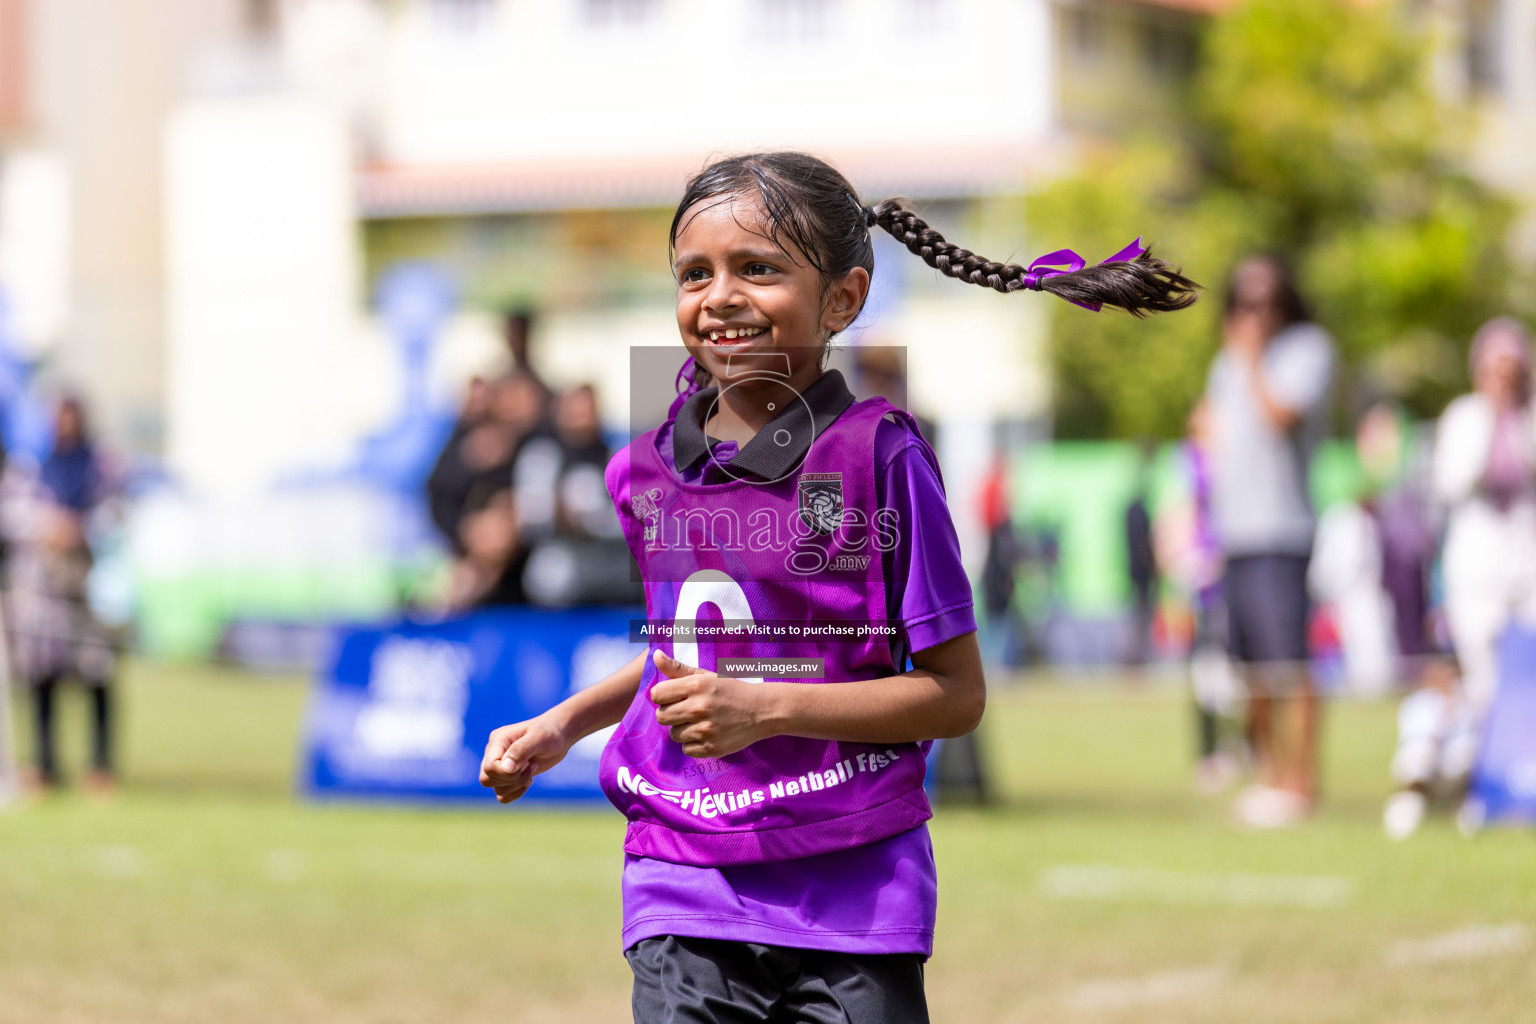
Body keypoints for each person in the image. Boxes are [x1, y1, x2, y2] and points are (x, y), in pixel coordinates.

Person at [479, 151, 1197, 1023]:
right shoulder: (644, 470)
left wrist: (769, 709)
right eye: (694, 273)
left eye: (759, 269)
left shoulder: (881, 458)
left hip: (853, 887)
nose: (720, 296)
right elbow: (696, 653)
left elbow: (953, 693)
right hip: (686, 874)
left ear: (844, 299)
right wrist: (566, 723)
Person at [1202, 254, 1335, 829]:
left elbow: (1280, 415)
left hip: (1283, 531)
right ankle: (1271, 780)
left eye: (1266, 303)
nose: (1253, 314)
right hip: (1235, 534)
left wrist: (1251, 358)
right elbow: (1209, 437)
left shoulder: (1308, 351)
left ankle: (1301, 784)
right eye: (1243, 303)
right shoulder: (1223, 364)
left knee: (1289, 664)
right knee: (1250, 668)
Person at [1429, 317, 1536, 827]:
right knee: (1484, 685)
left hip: (1528, 569)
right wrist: (1493, 418)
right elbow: (1453, 480)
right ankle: (1484, 789)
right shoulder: (1464, 418)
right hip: (1477, 574)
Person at [8, 396, 121, 795]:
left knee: (97, 677)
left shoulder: (99, 467)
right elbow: (13, 515)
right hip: (43, 594)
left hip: (88, 589)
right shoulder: (34, 469)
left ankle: (102, 768)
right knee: (42, 680)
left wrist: (80, 527)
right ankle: (46, 766)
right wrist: (45, 526)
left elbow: (115, 514)